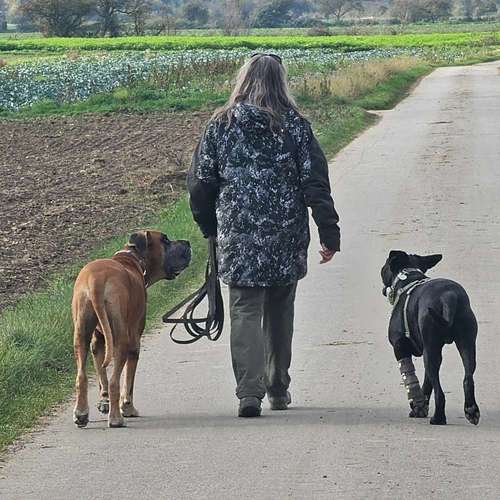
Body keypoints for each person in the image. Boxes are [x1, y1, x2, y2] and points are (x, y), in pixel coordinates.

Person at [187, 53, 340, 417]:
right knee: (280, 311)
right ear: (281, 82)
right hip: (285, 237)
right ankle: (277, 386)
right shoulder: (296, 127)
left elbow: (200, 185)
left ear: (243, 80)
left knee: (244, 310)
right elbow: (315, 183)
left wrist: (210, 226)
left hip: (238, 239)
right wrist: (328, 231)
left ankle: (248, 394)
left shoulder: (220, 126)